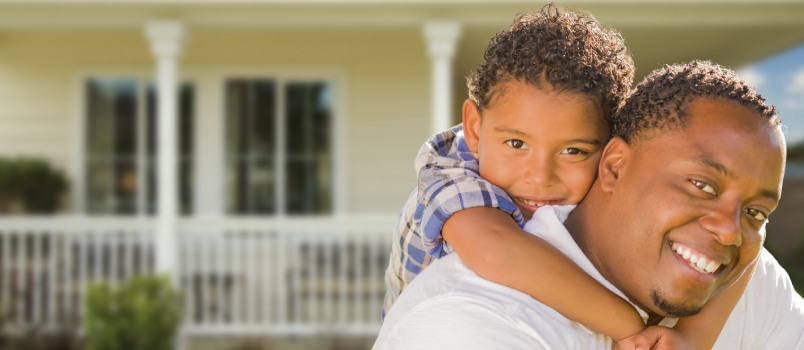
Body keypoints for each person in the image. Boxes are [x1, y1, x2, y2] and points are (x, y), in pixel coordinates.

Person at [383, 4, 749, 346]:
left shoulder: (605, 182)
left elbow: (743, 246)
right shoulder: (451, 171)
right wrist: (634, 327)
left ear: (610, 153)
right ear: (475, 128)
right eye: (515, 144)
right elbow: (497, 252)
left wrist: (693, 337)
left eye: (573, 151)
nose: (540, 176)